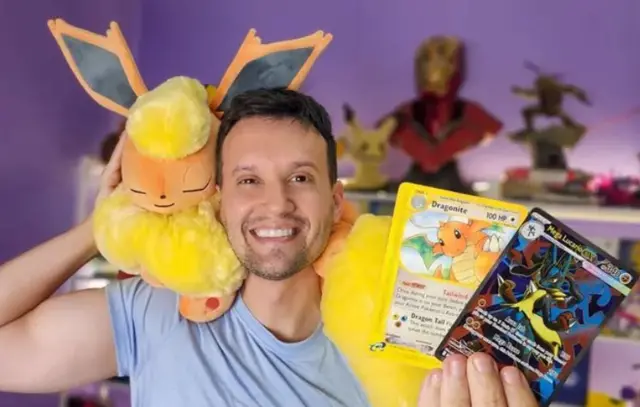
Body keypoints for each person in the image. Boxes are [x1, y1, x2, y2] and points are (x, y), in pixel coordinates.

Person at [0, 88, 537, 407]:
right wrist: (99, 229)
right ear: (219, 201)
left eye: (300, 178)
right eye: (249, 181)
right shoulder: (154, 312)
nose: (276, 204)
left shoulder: (398, 351)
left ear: (335, 200)